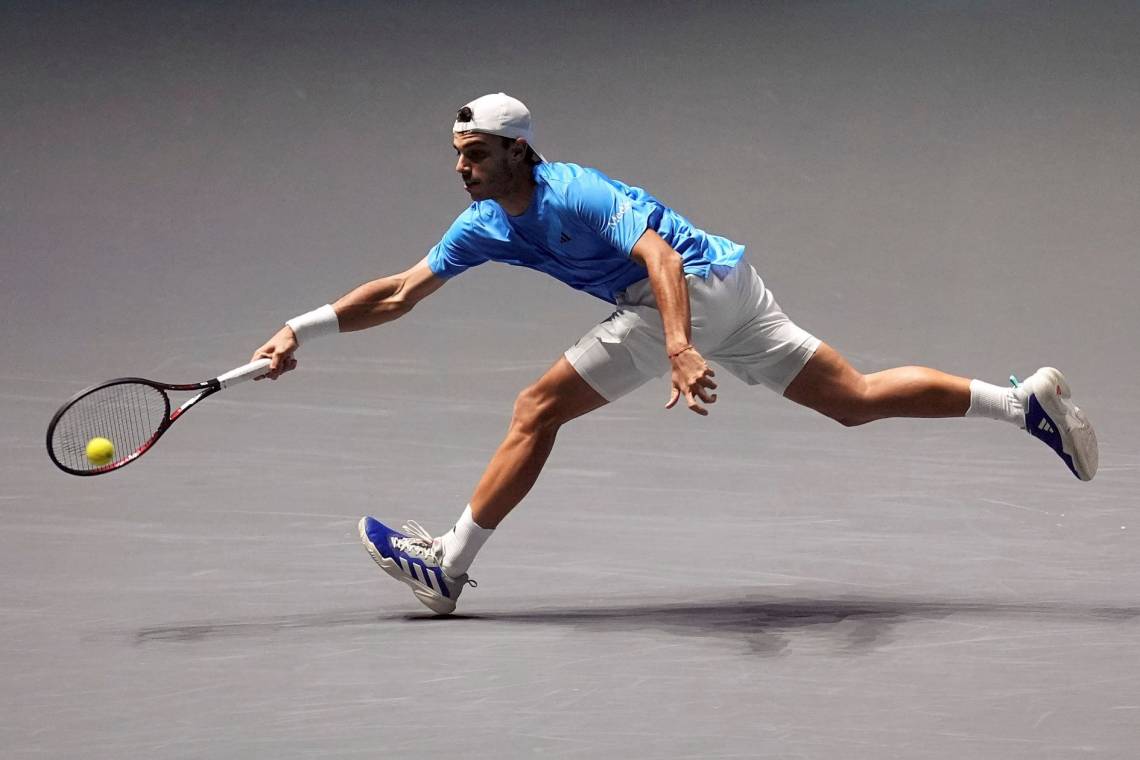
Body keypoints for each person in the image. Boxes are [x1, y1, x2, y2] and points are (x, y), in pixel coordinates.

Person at [251, 93, 1098, 615]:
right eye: (457, 156)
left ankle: (448, 566)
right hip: (732, 280)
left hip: (684, 290)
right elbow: (398, 292)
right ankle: (1021, 403)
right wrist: (302, 327)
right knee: (855, 397)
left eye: (476, 154)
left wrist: (683, 347)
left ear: (517, 149)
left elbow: (656, 256)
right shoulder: (483, 226)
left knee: (535, 409)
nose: (463, 168)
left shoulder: (572, 190)